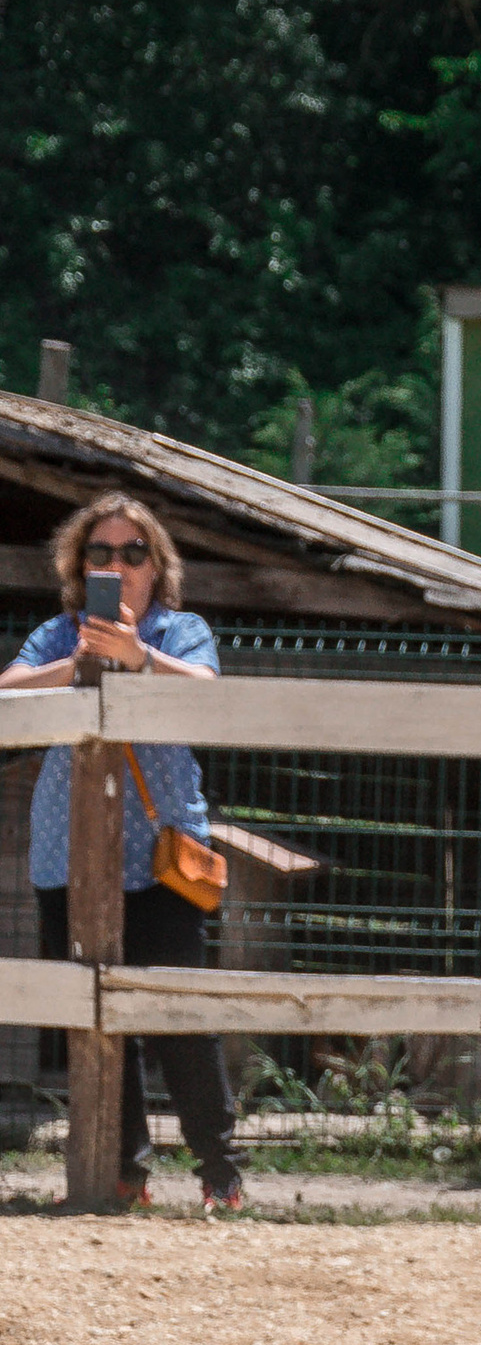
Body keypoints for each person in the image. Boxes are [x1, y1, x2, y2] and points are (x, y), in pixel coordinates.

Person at [0, 490, 246, 1213]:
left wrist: (138, 656)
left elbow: (207, 692)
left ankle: (219, 1171)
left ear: (156, 565)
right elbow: (5, 691)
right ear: (79, 567)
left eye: (132, 553)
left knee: (177, 1014)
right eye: (100, 553)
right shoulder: (57, 633)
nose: (117, 564)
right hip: (67, 853)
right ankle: (119, 1171)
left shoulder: (183, 629)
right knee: (94, 1015)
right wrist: (77, 664)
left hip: (162, 855)